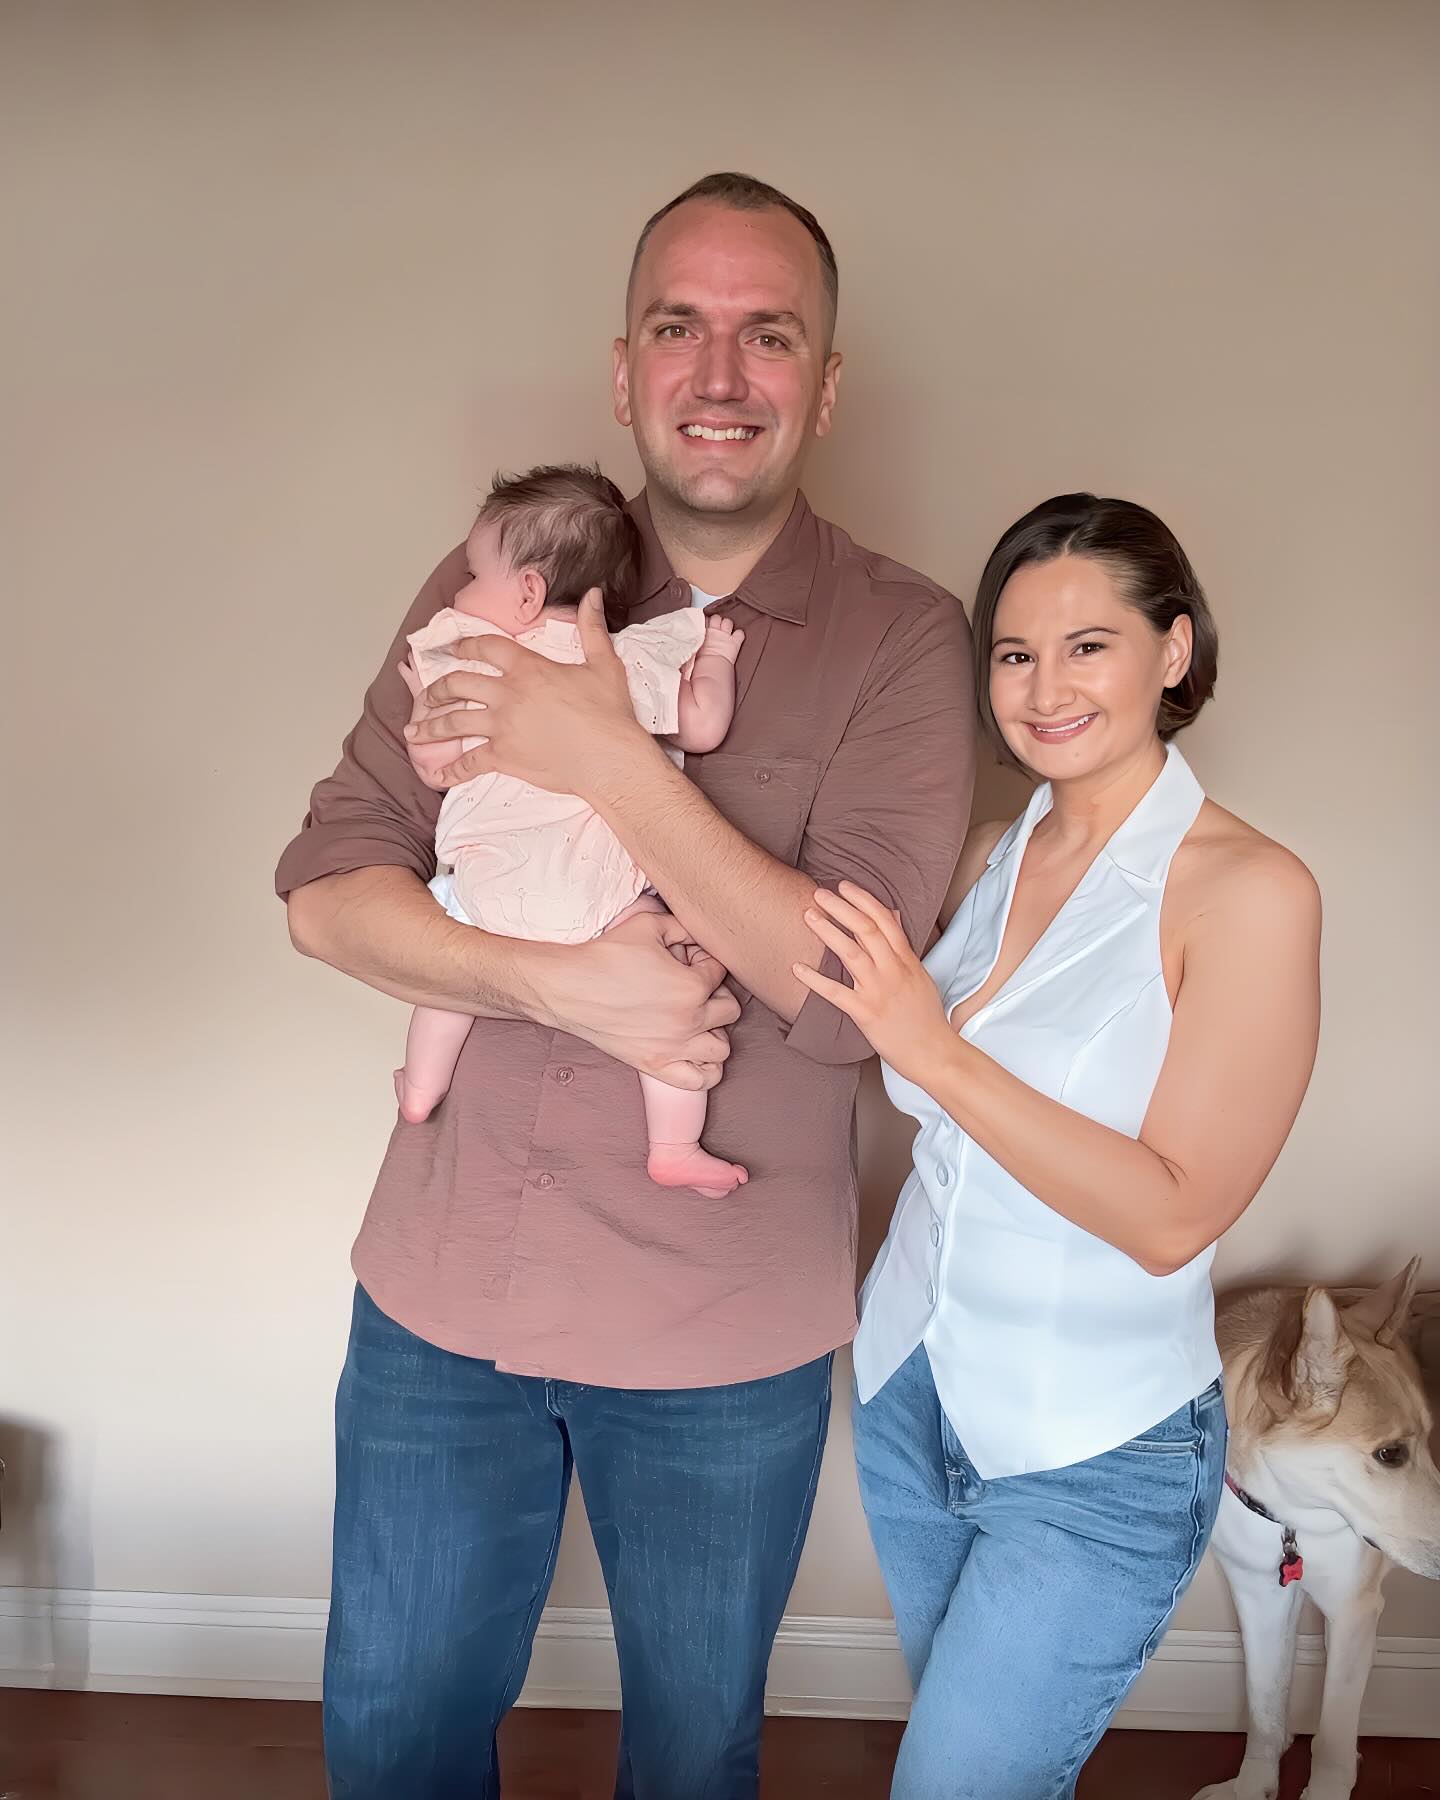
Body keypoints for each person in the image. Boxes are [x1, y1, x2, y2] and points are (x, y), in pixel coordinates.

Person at [276, 171, 975, 1799]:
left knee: (691, 1761)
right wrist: (551, 983)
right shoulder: (498, 584)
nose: (719, 375)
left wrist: (603, 750)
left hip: (721, 1337)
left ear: (825, 382)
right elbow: (328, 888)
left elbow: (844, 996)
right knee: (390, 1746)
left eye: (767, 334)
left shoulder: (904, 642)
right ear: (623, 369)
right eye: (681, 326)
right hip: (440, 1304)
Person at [793, 494, 1321, 1799]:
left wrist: (933, 1049)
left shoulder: (1251, 893)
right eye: (1015, 652)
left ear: (1176, 650)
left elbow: (1170, 1214)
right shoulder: (984, 854)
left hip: (1094, 1449)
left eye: (1090, 644)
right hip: (915, 1391)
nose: (1044, 686)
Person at [395, 462, 749, 1199]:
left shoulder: (468, 658)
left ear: (525, 591)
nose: (459, 591)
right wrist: (713, 655)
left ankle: (421, 1088)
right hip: (600, 900)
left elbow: (433, 765)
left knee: (444, 985)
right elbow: (706, 727)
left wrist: (421, 713)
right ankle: (675, 1146)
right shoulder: (626, 660)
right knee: (672, 996)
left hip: (489, 889)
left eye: (471, 573)